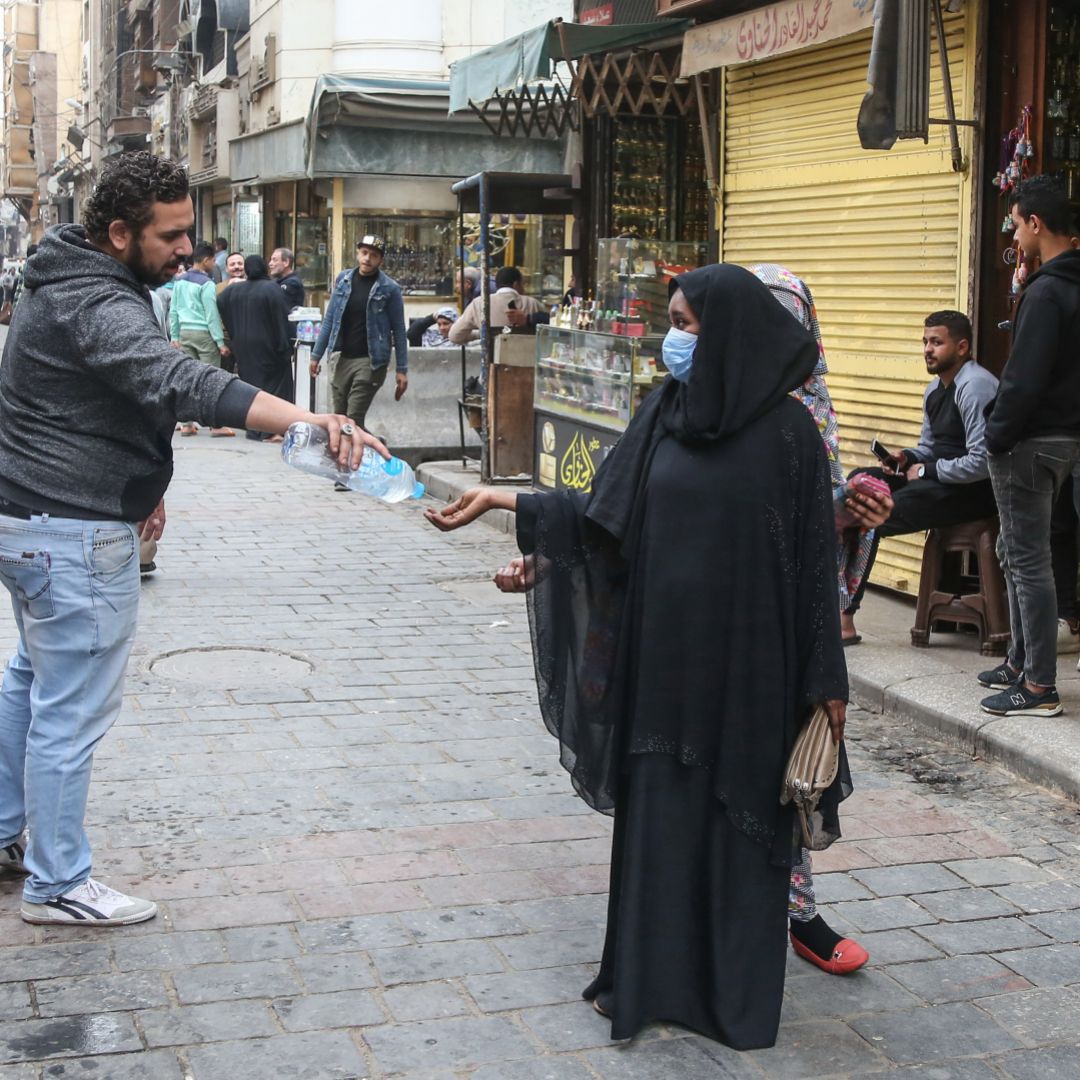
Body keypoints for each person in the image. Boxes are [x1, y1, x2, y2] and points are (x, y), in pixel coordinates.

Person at [426, 263, 852, 1050]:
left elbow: (815, 568)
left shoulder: (791, 436)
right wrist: (507, 506)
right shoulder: (665, 411)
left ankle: (726, 994)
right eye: (676, 321)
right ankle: (646, 980)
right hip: (662, 665)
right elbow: (604, 519)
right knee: (662, 817)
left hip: (752, 672)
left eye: (689, 325)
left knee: (740, 828)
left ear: (728, 331)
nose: (675, 339)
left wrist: (828, 682)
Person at [0, 151, 386, 926]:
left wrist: (143, 488)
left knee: (31, 685)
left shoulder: (77, 276)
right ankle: (57, 883)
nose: (188, 251)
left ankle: (10, 834)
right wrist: (305, 416)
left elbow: (105, 400)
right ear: (118, 232)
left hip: (45, 519)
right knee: (69, 710)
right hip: (69, 534)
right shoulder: (94, 299)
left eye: (190, 232)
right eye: (172, 235)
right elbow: (181, 380)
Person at [978, 177, 1080, 717]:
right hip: (1063, 442)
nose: (1015, 235)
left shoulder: (1046, 290)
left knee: (1026, 559)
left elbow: (1024, 377)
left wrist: (996, 435)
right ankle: (1020, 663)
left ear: (1036, 224)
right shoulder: (1066, 285)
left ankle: (1038, 685)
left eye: (1016, 224)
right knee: (1016, 554)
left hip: (1029, 441)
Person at [749, 264, 893, 641]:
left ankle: (839, 618)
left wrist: (848, 506)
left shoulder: (812, 401)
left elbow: (825, 485)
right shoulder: (717, 390)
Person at [839, 311, 999, 643]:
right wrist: (906, 458)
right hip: (940, 481)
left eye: (937, 342)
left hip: (975, 491)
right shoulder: (934, 389)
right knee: (858, 482)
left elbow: (984, 462)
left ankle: (844, 617)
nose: (928, 349)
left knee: (876, 510)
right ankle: (834, 605)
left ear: (962, 347)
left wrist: (925, 470)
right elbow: (931, 445)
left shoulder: (975, 385)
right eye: (925, 342)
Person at [310, 234, 409, 438]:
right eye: (364, 253)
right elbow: (330, 319)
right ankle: (368, 449)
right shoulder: (344, 280)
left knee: (352, 419)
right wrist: (316, 355)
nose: (367, 259)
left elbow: (399, 329)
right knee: (339, 418)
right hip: (342, 357)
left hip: (371, 361)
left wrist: (402, 369)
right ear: (357, 254)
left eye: (373, 255)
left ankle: (365, 457)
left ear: (380, 260)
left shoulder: (389, 288)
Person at [217, 255, 294, 441]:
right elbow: (280, 319)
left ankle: (254, 429)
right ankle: (274, 429)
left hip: (243, 347)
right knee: (276, 389)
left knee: (251, 388)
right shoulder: (271, 289)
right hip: (268, 347)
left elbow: (220, 302)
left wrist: (233, 329)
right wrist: (285, 346)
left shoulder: (233, 290)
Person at [169, 242, 232, 437]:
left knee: (188, 378)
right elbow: (211, 314)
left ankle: (186, 424)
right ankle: (216, 425)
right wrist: (220, 342)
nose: (214, 263)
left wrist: (175, 335)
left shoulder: (179, 281)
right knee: (211, 380)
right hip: (204, 335)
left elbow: (174, 310)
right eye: (213, 260)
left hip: (185, 333)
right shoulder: (207, 284)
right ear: (205, 260)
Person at [448, 266, 545, 344]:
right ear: (516, 284)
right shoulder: (533, 303)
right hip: (527, 362)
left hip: (494, 365)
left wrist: (482, 333)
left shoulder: (479, 303)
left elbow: (454, 335)